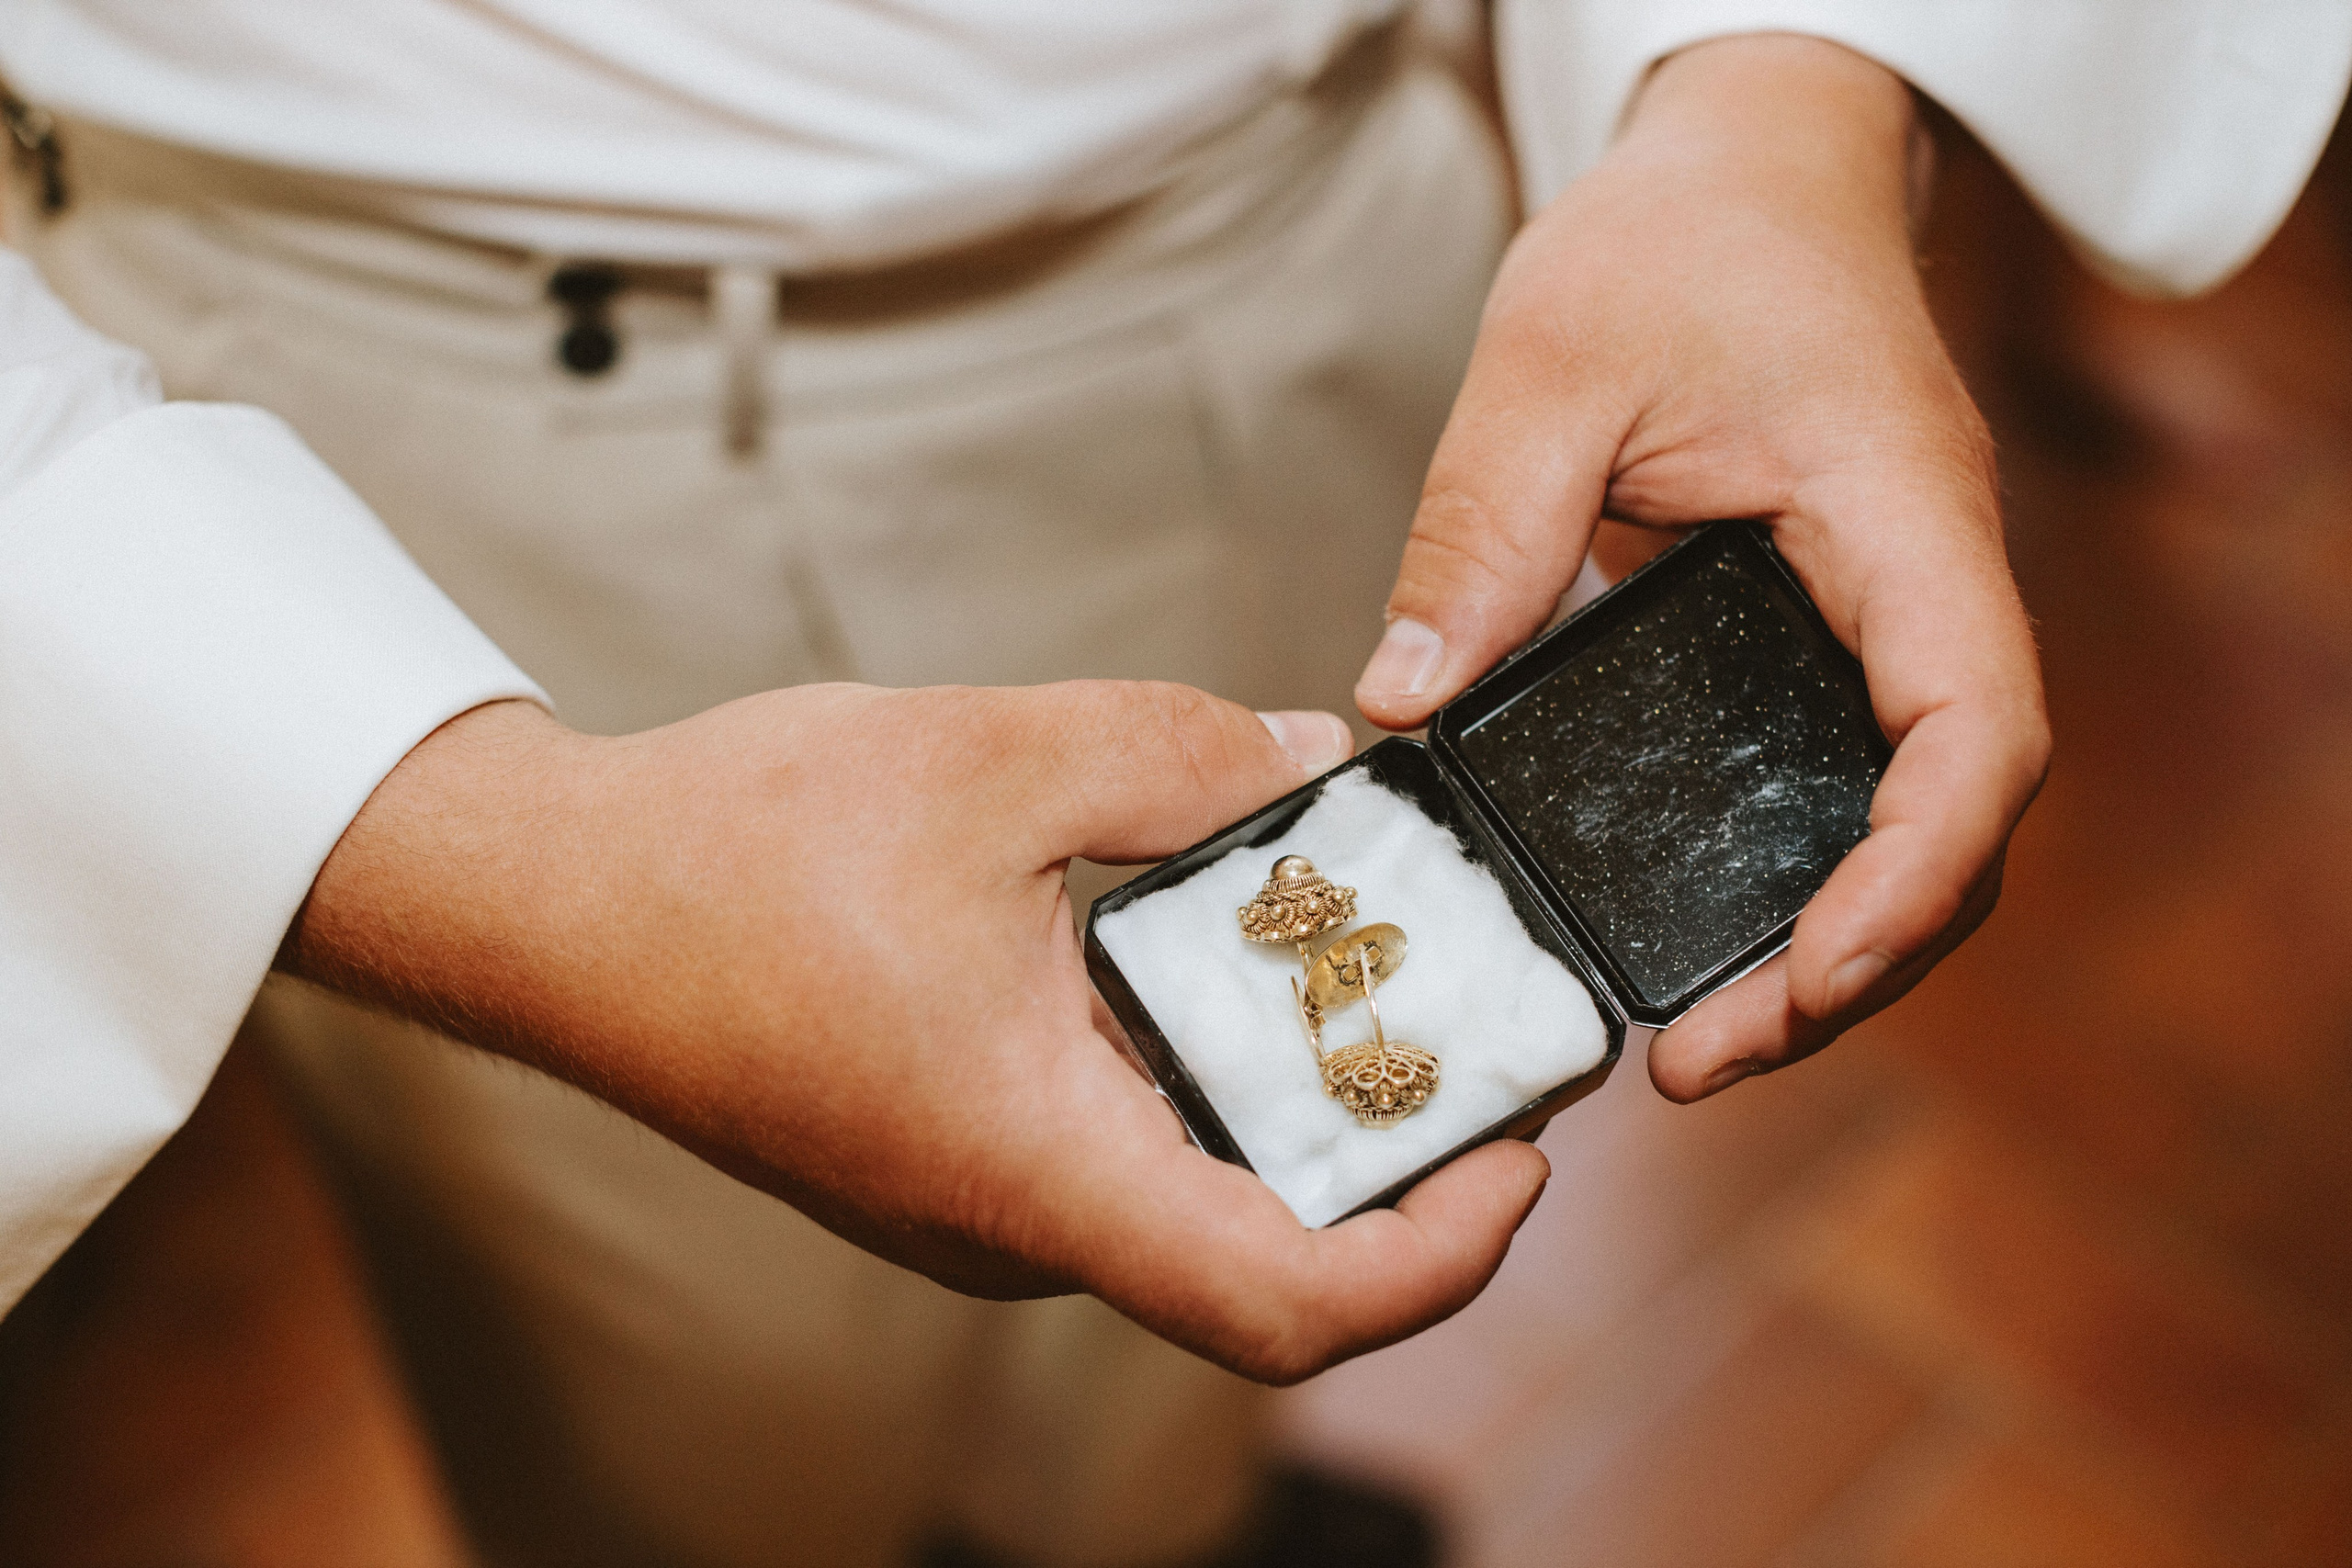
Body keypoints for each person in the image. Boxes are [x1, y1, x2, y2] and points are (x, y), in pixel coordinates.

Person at [2, 3, 2345, 1563]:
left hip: (1351, 217)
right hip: (439, 391)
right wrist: (466, 839)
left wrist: (1774, 91)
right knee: (712, 1435)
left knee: (1197, 1277)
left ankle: (1146, 1525)